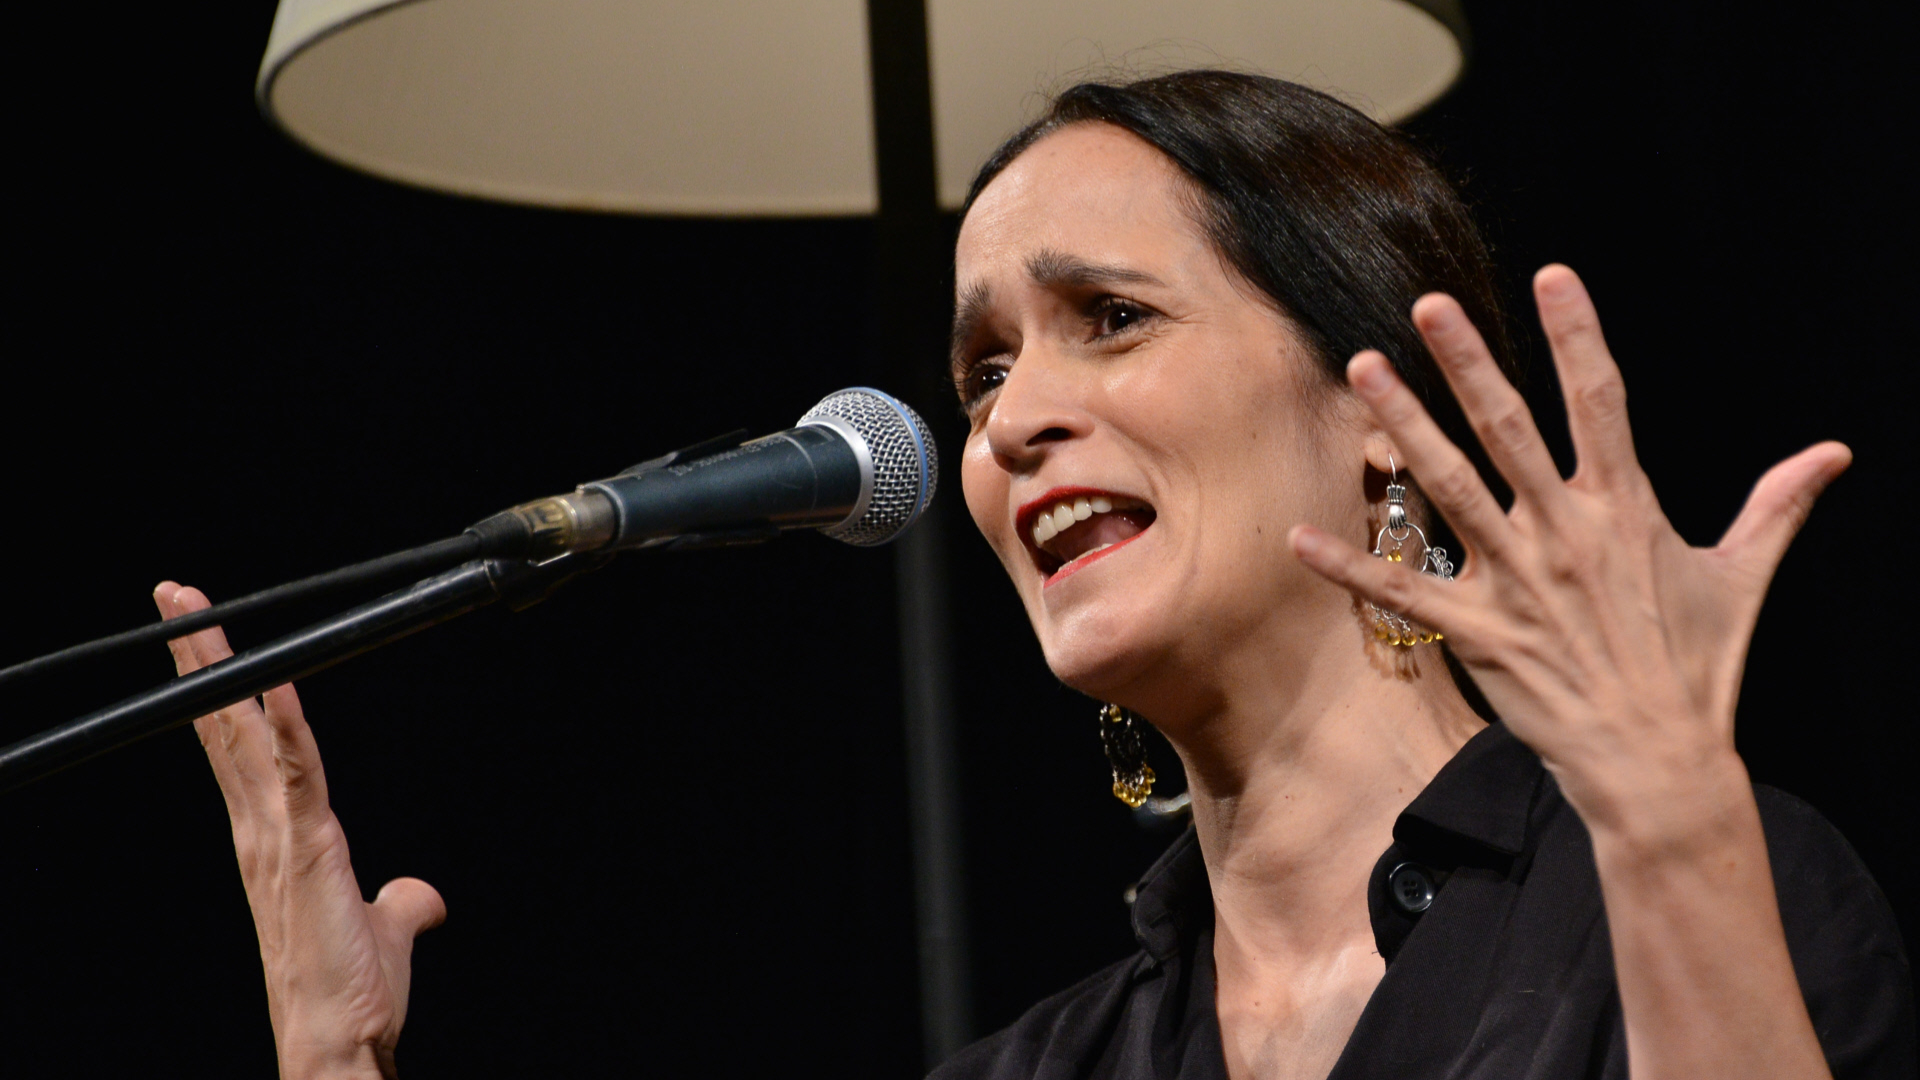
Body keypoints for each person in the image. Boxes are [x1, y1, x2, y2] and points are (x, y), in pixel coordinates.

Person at [153, 72, 1912, 1079]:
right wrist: (330, 1058)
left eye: (1110, 321)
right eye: (984, 370)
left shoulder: (1699, 888)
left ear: (1379, 414)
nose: (1008, 424)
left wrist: (1671, 829)